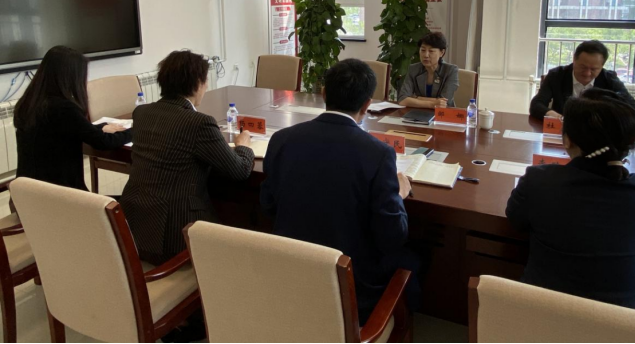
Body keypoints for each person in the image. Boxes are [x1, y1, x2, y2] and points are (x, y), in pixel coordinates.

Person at [261, 59, 419, 325]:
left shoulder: (282, 139)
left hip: (292, 271)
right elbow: (392, 236)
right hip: (352, 287)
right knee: (413, 259)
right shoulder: (378, 154)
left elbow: (267, 206)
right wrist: (399, 195)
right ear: (367, 105)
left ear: (323, 94)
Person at [507, 88, 635, 314]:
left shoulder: (539, 181)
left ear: (567, 140)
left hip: (540, 319)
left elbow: (516, 221)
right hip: (629, 326)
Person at [121, 50, 255, 266]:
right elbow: (239, 171)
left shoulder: (142, 113)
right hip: (176, 235)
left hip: (133, 228)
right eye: (205, 81)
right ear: (197, 84)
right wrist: (243, 146)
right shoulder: (199, 123)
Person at [14, 46, 132, 191]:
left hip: (26, 192)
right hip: (60, 194)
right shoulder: (63, 108)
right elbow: (103, 142)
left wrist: (100, 128)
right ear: (70, 76)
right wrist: (137, 130)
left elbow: (63, 131)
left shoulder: (28, 102)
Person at [530, 40, 635, 121]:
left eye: (594, 69)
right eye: (583, 67)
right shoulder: (557, 76)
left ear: (602, 66)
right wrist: (555, 116)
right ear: (574, 59)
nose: (587, 73)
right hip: (563, 134)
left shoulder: (610, 80)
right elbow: (536, 105)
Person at [398, 32, 460, 108]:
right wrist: (432, 104)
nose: (426, 55)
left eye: (431, 51)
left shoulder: (450, 70)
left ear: (442, 53)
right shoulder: (413, 69)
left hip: (443, 113)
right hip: (418, 112)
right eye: (423, 50)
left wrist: (416, 98)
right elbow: (402, 99)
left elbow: (443, 103)